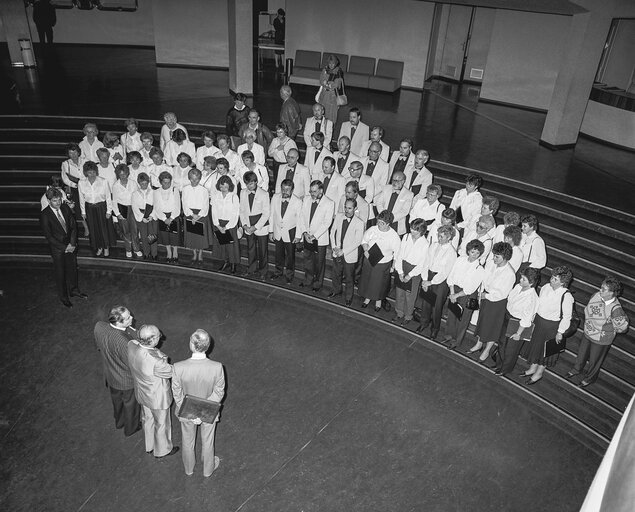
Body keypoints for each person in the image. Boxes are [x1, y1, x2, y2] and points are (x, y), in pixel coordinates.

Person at [172, 329, 225, 477]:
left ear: (191, 345)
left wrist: (192, 412)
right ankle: (208, 470)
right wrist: (202, 411)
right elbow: (219, 392)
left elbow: (177, 393)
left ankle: (189, 469)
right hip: (209, 412)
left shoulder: (178, 367)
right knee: (208, 441)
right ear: (208, 346)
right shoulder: (217, 367)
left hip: (186, 412)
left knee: (187, 441)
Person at [566, 276, 629, 387]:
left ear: (612, 293)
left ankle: (590, 378)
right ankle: (576, 369)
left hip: (601, 339)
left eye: (604, 289)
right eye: (601, 287)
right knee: (581, 354)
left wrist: (610, 327)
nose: (600, 290)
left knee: (595, 361)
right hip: (588, 332)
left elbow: (623, 328)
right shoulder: (596, 295)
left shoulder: (616, 309)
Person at [127, 324, 178, 459]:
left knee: (147, 418)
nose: (160, 338)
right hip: (157, 397)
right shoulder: (156, 361)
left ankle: (149, 445)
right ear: (153, 340)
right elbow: (172, 372)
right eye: (158, 336)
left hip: (142, 392)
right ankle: (163, 450)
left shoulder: (131, 346)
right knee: (161, 424)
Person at [522, 266, 574, 385]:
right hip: (539, 321)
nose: (551, 280)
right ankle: (532, 368)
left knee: (546, 352)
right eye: (552, 277)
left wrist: (560, 332)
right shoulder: (546, 287)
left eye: (555, 279)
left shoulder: (566, 296)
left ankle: (538, 373)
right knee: (537, 347)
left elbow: (567, 317)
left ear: (563, 282)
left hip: (552, 326)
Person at [93, 306, 140, 437]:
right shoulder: (126, 342)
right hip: (126, 381)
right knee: (131, 406)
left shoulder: (99, 326)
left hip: (110, 375)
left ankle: (119, 422)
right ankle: (131, 428)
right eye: (128, 318)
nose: (132, 318)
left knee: (117, 401)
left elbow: (98, 346)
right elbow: (133, 365)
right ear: (118, 322)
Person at [468, 242, 516, 363]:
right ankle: (479, 343)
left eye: (497, 257)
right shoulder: (493, 264)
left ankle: (487, 349)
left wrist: (487, 295)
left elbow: (502, 294)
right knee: (483, 321)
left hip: (496, 302)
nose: (494, 258)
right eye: (494, 255)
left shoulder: (509, 274)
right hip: (486, 297)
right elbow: (485, 278)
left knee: (493, 326)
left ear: (505, 257)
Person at [40, 188, 87, 308]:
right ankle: (64, 297)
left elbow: (73, 226)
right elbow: (49, 236)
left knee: (72, 269)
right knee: (60, 273)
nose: (58, 203)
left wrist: (72, 244)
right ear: (49, 201)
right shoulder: (45, 214)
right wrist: (64, 247)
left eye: (59, 200)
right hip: (58, 249)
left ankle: (74, 290)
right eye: (55, 201)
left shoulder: (65, 208)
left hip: (70, 246)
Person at [493, 267, 540, 377]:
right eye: (521, 277)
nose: (520, 280)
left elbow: (526, 318)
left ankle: (505, 369)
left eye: (524, 279)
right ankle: (499, 365)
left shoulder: (532, 298)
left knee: (511, 349)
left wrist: (518, 333)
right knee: (502, 343)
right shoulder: (518, 287)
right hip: (508, 317)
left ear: (531, 282)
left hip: (519, 324)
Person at [417, 225, 458, 340]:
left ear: (449, 237)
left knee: (437, 306)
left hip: (440, 281)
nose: (439, 239)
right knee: (426, 303)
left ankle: (434, 329)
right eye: (438, 236)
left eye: (442, 237)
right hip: (429, 275)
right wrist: (425, 279)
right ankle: (423, 323)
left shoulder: (451, 252)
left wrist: (431, 282)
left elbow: (445, 272)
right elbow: (426, 262)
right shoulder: (434, 245)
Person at [445, 239, 486, 351]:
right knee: (452, 313)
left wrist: (456, 295)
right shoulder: (460, 260)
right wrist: (452, 292)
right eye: (473, 252)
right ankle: (449, 335)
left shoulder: (480, 269)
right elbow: (451, 276)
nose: (475, 255)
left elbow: (470, 288)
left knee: (462, 320)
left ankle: (456, 341)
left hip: (467, 294)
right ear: (468, 251)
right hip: (455, 289)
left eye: (478, 253)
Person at [359, 210, 401, 311]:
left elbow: (397, 253)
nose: (379, 225)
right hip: (370, 259)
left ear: (388, 224)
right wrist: (365, 250)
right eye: (378, 222)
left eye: (382, 223)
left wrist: (393, 266)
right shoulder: (373, 229)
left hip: (383, 263)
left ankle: (378, 301)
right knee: (368, 280)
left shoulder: (394, 236)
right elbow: (364, 240)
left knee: (379, 284)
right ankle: (367, 298)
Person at [392, 218, 429, 326]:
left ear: (421, 231)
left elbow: (422, 263)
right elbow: (399, 254)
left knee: (410, 296)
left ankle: (408, 315)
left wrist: (410, 275)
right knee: (399, 293)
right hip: (403, 267)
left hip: (414, 272)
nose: (412, 231)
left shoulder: (425, 244)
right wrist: (399, 271)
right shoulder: (406, 237)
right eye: (412, 228)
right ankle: (399, 312)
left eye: (415, 230)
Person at [329, 198, 365, 307]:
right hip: (337, 251)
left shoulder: (359, 223)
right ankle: (336, 290)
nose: (346, 210)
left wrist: (343, 251)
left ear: (355, 209)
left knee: (349, 278)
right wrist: (334, 247)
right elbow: (332, 232)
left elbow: (358, 241)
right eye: (345, 207)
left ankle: (349, 297)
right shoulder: (339, 216)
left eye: (349, 208)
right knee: (336, 274)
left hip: (349, 254)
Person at [300, 180, 335, 292]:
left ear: (321, 190)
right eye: (311, 191)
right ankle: (308, 279)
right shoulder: (306, 199)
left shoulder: (329, 203)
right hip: (307, 235)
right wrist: (305, 233)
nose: (312, 194)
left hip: (319, 238)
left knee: (319, 262)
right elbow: (301, 216)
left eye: (314, 191)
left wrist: (314, 236)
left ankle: (318, 283)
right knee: (308, 260)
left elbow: (327, 222)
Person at [269, 179, 304, 284]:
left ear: (292, 190)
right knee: (278, 254)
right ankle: (278, 272)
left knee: (290, 256)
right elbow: (271, 215)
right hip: (277, 231)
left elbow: (300, 220)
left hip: (290, 233)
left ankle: (289, 275)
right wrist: (271, 231)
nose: (285, 192)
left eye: (287, 190)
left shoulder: (297, 201)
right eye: (283, 189)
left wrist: (298, 236)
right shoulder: (275, 197)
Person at [240, 171, 271, 279]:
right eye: (247, 184)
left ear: (256, 182)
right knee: (251, 249)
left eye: (251, 184)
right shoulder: (243, 192)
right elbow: (242, 211)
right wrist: (244, 225)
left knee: (263, 250)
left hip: (260, 227)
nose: (249, 186)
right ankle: (251, 268)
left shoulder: (264, 194)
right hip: (248, 226)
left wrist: (256, 227)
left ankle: (263, 271)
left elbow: (266, 213)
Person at [78, 161, 112, 257]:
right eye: (89, 172)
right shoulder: (81, 183)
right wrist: (83, 212)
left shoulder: (103, 181)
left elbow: (108, 196)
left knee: (103, 229)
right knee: (93, 229)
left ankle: (106, 247)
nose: (92, 174)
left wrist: (109, 210)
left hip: (101, 207)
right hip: (89, 208)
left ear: (96, 171)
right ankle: (99, 246)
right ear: (86, 173)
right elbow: (81, 198)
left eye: (93, 172)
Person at [111, 164, 143, 259]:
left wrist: (139, 210)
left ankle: (136, 249)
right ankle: (128, 249)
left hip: (133, 208)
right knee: (126, 231)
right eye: (120, 174)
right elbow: (114, 201)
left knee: (135, 230)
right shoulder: (115, 186)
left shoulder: (133, 183)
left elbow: (138, 195)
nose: (123, 176)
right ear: (118, 175)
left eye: (124, 174)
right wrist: (117, 214)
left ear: (127, 173)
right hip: (122, 209)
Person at [211, 175, 241, 274]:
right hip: (219, 224)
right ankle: (226, 262)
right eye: (221, 186)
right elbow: (214, 211)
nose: (223, 189)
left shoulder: (234, 196)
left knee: (231, 246)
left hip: (230, 224)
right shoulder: (216, 196)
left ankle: (233, 264)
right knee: (223, 245)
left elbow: (235, 213)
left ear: (230, 187)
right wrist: (218, 225)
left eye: (225, 187)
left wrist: (227, 227)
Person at [182, 168, 210, 267]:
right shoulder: (185, 189)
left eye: (197, 179)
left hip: (200, 215)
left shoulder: (204, 190)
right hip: (190, 215)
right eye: (192, 179)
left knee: (200, 237)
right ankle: (194, 254)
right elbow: (184, 203)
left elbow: (206, 205)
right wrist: (191, 214)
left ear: (200, 179)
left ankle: (200, 254)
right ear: (189, 178)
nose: (194, 181)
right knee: (192, 237)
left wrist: (198, 216)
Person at [60, 142, 89, 236]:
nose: (73, 155)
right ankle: (86, 228)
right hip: (75, 188)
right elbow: (64, 178)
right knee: (80, 209)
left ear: (78, 152)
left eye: (75, 152)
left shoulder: (85, 160)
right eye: (70, 153)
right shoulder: (65, 164)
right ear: (68, 154)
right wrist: (74, 185)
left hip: (88, 186)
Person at [154, 171, 182, 264]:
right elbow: (156, 207)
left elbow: (177, 206)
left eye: (169, 182)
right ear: (160, 182)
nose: (167, 184)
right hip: (163, 217)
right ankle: (169, 252)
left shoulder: (175, 190)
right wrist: (164, 218)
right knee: (165, 236)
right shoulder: (157, 192)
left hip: (173, 216)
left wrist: (171, 218)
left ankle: (175, 252)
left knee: (174, 236)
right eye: (165, 182)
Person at [375, 171, 414, 236]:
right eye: (393, 180)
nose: (395, 182)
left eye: (398, 180)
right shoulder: (386, 188)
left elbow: (404, 211)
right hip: (382, 221)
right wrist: (384, 217)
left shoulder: (409, 194)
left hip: (396, 223)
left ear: (403, 181)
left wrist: (390, 219)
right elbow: (379, 203)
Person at [131, 173, 158, 261]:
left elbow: (156, 205)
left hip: (151, 215)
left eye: (146, 183)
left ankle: (154, 253)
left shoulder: (153, 192)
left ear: (148, 182)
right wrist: (142, 217)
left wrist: (151, 215)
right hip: (141, 216)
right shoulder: (135, 194)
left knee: (152, 236)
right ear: (139, 183)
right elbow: (134, 207)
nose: (144, 185)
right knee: (144, 236)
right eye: (142, 184)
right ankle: (146, 252)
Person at [268, 123, 298, 192]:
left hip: (286, 164)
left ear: (285, 132)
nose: (279, 134)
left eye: (281, 132)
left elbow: (295, 154)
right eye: (277, 132)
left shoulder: (291, 142)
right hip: (276, 164)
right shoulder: (275, 140)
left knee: (286, 182)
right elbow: (269, 153)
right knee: (277, 181)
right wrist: (277, 149)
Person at [317, 54, 345, 123]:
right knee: (322, 111)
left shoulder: (338, 71)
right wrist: (326, 83)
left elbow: (337, 84)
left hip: (333, 96)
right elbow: (321, 80)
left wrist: (327, 83)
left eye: (333, 63)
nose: (331, 65)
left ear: (336, 63)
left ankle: (330, 129)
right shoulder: (325, 70)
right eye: (330, 63)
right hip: (324, 95)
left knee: (331, 114)